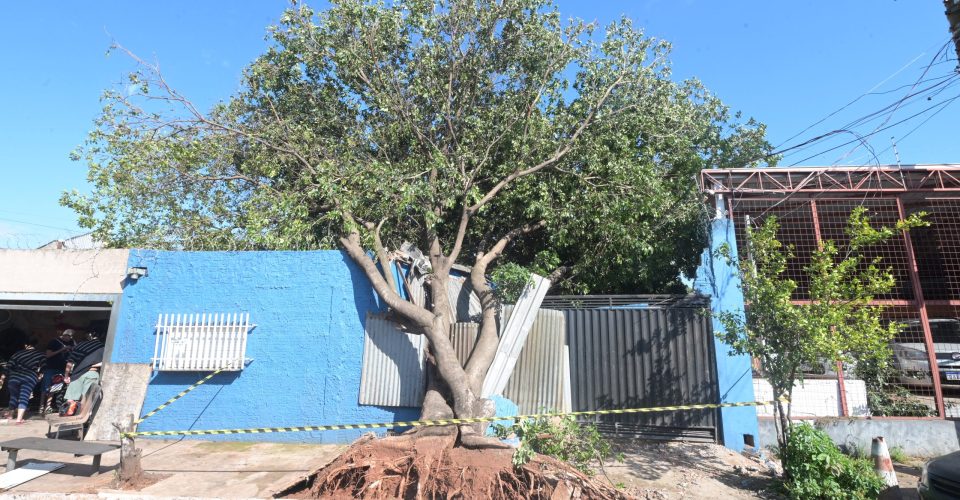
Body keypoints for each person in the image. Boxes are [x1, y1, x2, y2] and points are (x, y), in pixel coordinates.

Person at [3, 338, 46, 424]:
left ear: (26, 345)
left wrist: (4, 376)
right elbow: (44, 367)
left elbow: (9, 366)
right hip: (29, 377)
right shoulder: (41, 355)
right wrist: (40, 376)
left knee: (13, 396)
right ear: (36, 345)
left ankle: (11, 415)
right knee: (24, 397)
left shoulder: (17, 353)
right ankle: (19, 419)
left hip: (14, 377)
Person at [62, 331, 104, 416]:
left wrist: (66, 376)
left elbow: (70, 362)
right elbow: (105, 363)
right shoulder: (103, 347)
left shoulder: (80, 345)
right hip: (92, 373)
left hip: (76, 374)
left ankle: (68, 417)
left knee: (70, 399)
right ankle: (82, 420)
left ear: (90, 335)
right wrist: (92, 364)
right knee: (86, 400)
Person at [41, 329, 75, 414]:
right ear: (64, 335)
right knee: (46, 387)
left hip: (62, 369)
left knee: (55, 388)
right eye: (69, 336)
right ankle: (41, 406)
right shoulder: (54, 342)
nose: (70, 338)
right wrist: (62, 350)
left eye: (72, 336)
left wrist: (71, 349)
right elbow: (48, 355)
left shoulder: (72, 342)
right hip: (51, 368)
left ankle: (48, 406)